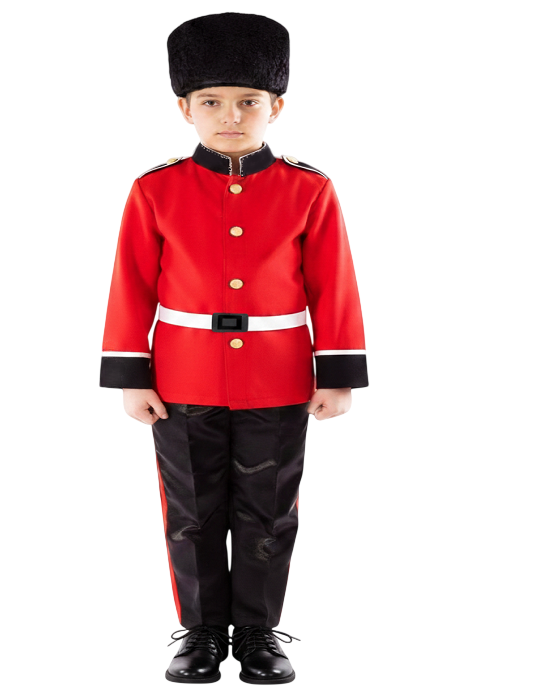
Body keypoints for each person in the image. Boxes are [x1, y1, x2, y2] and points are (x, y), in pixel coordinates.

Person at [99, 11, 368, 685]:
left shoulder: (309, 189)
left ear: (277, 106)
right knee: (191, 514)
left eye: (249, 101)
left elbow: (333, 282)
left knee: (268, 511)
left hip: (278, 377)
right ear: (184, 108)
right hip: (182, 376)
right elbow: (131, 283)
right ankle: (199, 635)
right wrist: (132, 375)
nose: (230, 115)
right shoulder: (155, 189)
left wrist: (337, 373)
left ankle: (255, 633)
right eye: (212, 101)